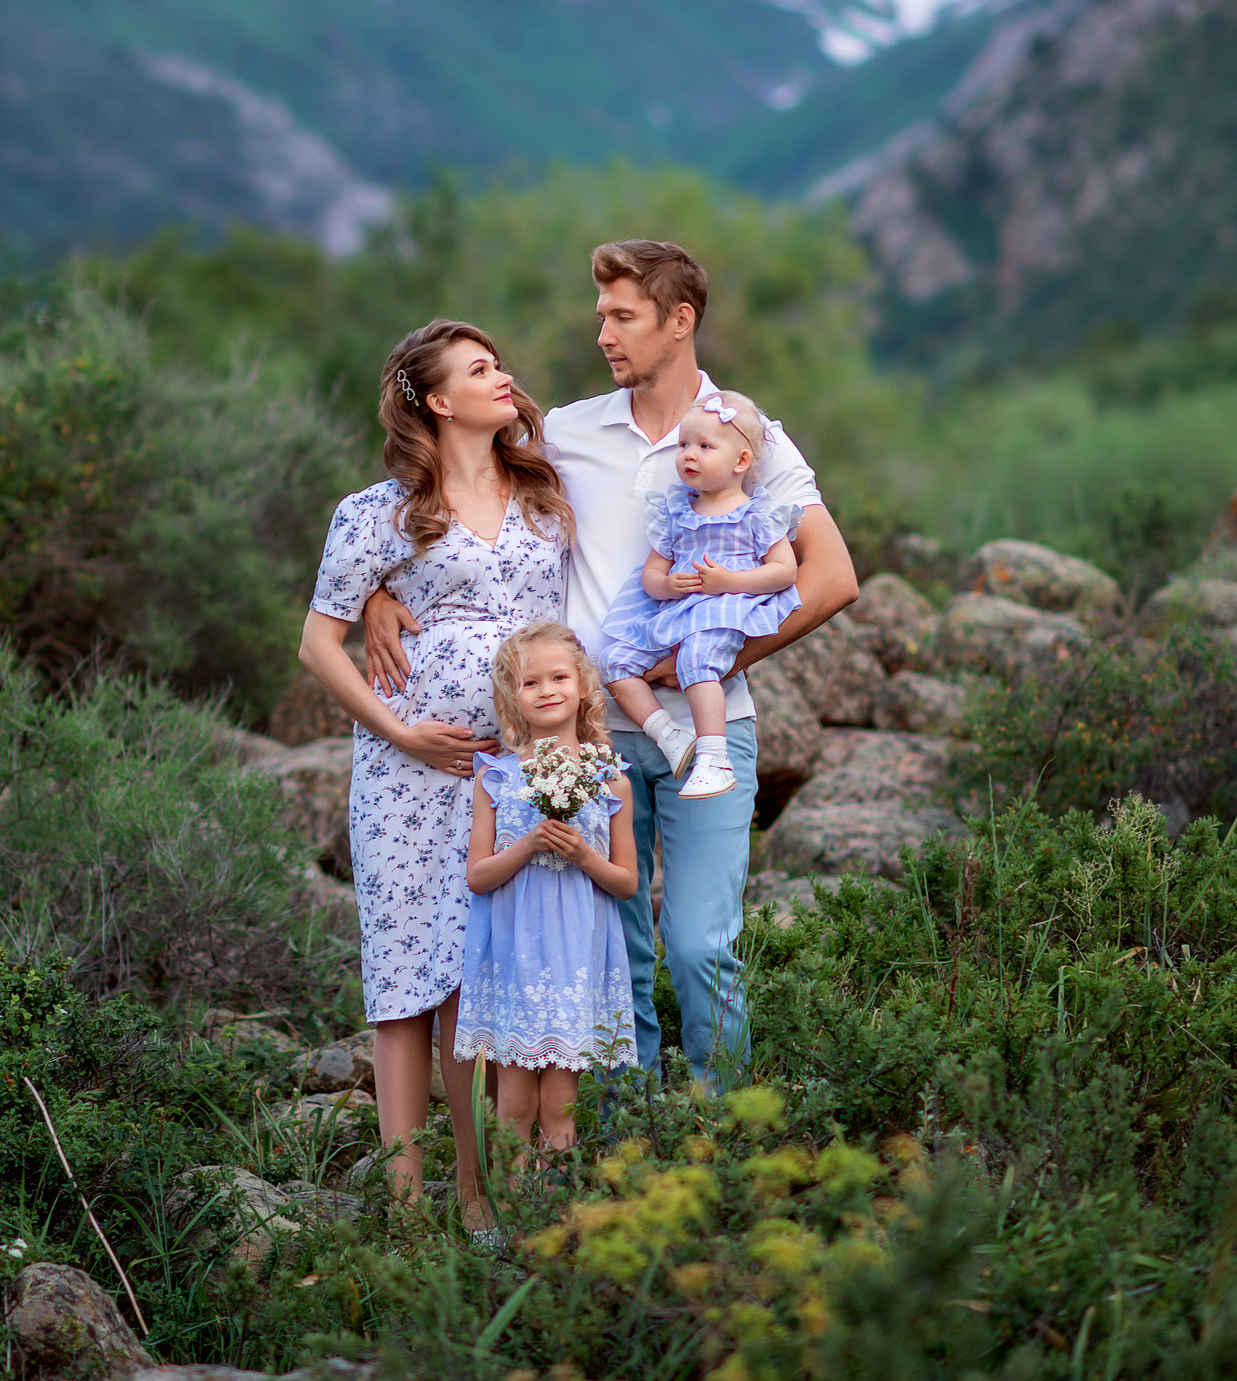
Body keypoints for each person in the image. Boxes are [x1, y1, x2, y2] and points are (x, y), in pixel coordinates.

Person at [364, 242, 859, 1087]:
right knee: (613, 955)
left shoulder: (747, 433)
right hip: (584, 743)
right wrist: (378, 586)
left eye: (622, 316)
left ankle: (722, 1141)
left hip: (708, 730)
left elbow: (833, 576)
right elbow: (457, 487)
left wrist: (710, 654)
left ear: (680, 320)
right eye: (600, 316)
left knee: (703, 946)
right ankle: (626, 1146)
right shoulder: (568, 429)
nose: (604, 334)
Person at [300, 319, 575, 1224]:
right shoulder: (377, 512)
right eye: (480, 370)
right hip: (406, 775)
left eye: (502, 363)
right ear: (436, 401)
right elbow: (318, 643)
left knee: (474, 974)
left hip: (511, 774)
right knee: (405, 978)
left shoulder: (544, 493)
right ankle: (406, 1205)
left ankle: (474, 1194)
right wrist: (401, 730)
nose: (504, 379)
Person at [456, 622, 640, 1166]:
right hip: (517, 957)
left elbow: (627, 883)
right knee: (512, 1103)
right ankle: (509, 1222)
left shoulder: (610, 778)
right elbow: (478, 877)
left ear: (583, 685)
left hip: (575, 958)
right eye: (530, 682)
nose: (546, 690)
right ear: (513, 697)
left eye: (558, 677)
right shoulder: (496, 776)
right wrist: (530, 844)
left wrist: (584, 855)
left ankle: (554, 1227)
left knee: (560, 1102)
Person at [596, 389, 802, 801]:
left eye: (705, 446)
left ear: (741, 462)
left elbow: (785, 571)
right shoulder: (676, 510)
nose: (689, 454)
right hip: (675, 610)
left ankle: (715, 758)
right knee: (614, 661)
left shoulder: (755, 513)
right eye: (685, 444)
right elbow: (653, 572)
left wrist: (730, 582)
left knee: (696, 658)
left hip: (724, 607)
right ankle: (668, 733)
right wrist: (667, 585)